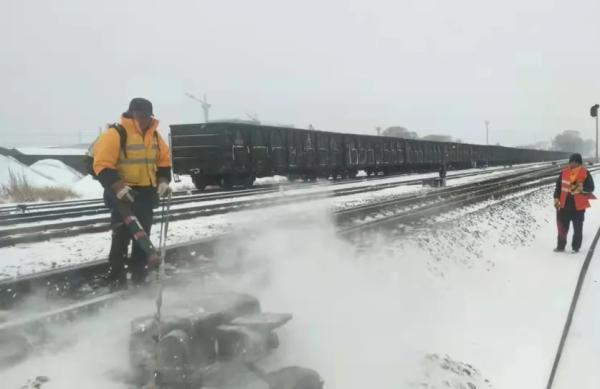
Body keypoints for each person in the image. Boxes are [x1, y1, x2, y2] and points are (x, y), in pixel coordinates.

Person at [93, 98, 172, 288]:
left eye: (147, 116)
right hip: (124, 195)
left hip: (146, 194)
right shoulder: (116, 134)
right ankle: (116, 276)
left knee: (143, 236)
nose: (143, 119)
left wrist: (162, 181)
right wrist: (118, 187)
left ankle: (139, 275)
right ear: (131, 113)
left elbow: (163, 162)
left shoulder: (154, 136)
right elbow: (102, 164)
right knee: (121, 236)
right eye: (139, 115)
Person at [553, 153, 595, 253]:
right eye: (571, 162)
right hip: (564, 206)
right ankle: (560, 247)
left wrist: (575, 188)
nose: (573, 164)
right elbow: (558, 187)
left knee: (578, 229)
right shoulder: (564, 172)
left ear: (579, 163)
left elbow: (590, 187)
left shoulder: (585, 173)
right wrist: (556, 199)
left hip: (578, 207)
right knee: (562, 228)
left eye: (576, 162)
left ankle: (576, 248)